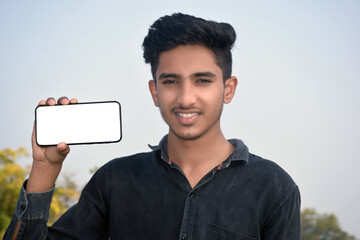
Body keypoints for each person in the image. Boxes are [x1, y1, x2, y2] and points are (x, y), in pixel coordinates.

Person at [4, 13, 301, 240]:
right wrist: (44, 168)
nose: (185, 98)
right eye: (170, 81)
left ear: (228, 88)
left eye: (202, 80)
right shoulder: (115, 180)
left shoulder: (274, 188)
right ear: (154, 91)